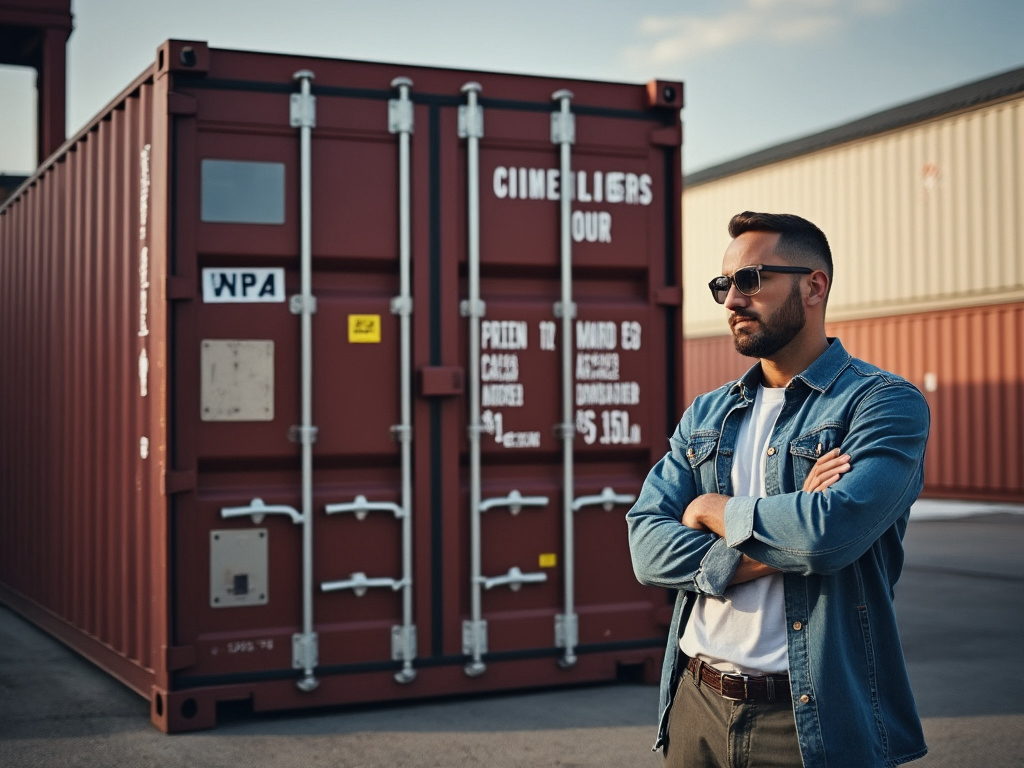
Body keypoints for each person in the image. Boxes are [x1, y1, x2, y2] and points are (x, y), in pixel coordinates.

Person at [627, 212, 930, 767]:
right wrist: (785, 530)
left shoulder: (882, 404)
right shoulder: (708, 414)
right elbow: (646, 549)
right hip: (695, 703)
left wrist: (710, 507)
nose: (732, 301)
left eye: (751, 280)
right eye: (724, 285)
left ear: (814, 285)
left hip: (809, 717)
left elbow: (824, 537)